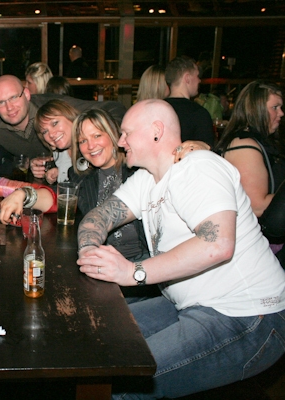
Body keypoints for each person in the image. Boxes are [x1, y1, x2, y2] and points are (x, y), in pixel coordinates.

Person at [76, 99, 285, 399]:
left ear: (156, 130)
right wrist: (89, 251)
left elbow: (217, 244)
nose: (120, 142)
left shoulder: (198, 167)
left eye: (126, 133)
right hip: (189, 304)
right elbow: (98, 216)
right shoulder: (147, 180)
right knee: (97, 334)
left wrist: (133, 271)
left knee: (122, 382)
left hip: (249, 313)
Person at [0, 108, 149, 265]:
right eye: (83, 141)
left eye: (97, 136)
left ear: (112, 135)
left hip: (141, 263)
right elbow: (57, 196)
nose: (90, 145)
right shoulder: (82, 176)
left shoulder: (138, 171)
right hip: (101, 261)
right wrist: (22, 194)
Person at [215, 80, 285, 263]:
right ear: (257, 109)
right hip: (256, 248)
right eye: (275, 107)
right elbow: (257, 205)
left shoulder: (256, 141)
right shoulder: (244, 145)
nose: (281, 113)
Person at [0, 75, 126, 161]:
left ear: (27, 94)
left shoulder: (55, 108)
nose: (9, 107)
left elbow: (115, 108)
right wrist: (31, 164)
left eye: (14, 97)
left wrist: (95, 140)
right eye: (1, 102)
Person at [164, 56, 215, 145]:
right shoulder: (199, 114)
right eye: (197, 76)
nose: (199, 80)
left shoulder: (156, 109)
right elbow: (206, 150)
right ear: (187, 78)